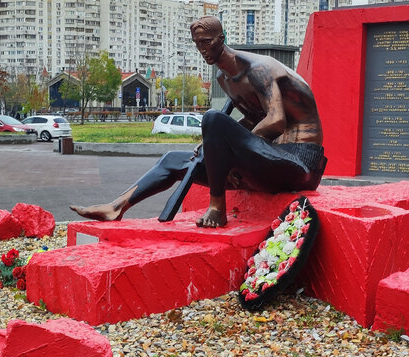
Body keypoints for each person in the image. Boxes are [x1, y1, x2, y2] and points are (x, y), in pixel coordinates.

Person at [70, 16, 325, 228]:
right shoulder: (224, 79)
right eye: (197, 44)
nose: (202, 49)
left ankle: (217, 208)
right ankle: (116, 207)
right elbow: (250, 121)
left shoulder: (258, 69)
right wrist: (220, 151)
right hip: (268, 163)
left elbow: (277, 120)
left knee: (213, 119)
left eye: (207, 42)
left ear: (221, 39)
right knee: (172, 159)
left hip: (299, 163)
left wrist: (234, 151)